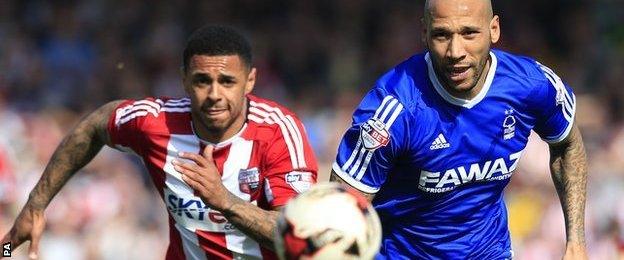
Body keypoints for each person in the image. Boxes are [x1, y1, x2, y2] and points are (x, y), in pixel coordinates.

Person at [1, 25, 318, 260]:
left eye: (227, 81)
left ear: (250, 80)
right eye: (202, 81)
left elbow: (296, 232)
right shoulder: (154, 121)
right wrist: (36, 204)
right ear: (184, 79)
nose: (215, 94)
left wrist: (225, 202)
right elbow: (95, 125)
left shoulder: (279, 131)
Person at [329, 0, 588, 259]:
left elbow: (567, 147)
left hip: (489, 253)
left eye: (469, 33)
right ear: (424, 33)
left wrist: (575, 242)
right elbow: (342, 207)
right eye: (442, 35)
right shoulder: (393, 109)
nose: (455, 51)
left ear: (494, 30)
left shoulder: (532, 86)